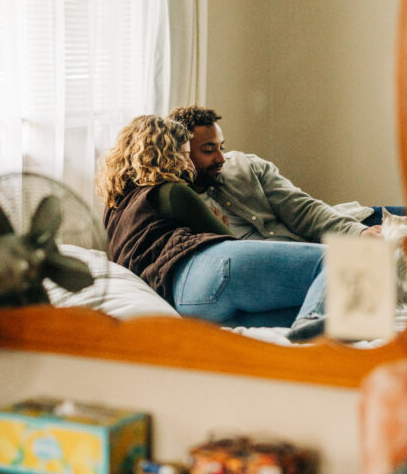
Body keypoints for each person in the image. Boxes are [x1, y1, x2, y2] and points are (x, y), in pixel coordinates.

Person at [95, 115, 328, 340]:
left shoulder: (115, 204)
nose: (188, 164)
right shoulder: (172, 191)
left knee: (298, 312)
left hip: (187, 302)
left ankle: (306, 335)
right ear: (165, 156)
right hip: (204, 270)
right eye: (184, 155)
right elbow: (225, 237)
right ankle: (310, 324)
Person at [167, 105, 377, 242]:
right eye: (208, 150)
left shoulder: (246, 165)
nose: (221, 158)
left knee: (404, 218)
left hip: (323, 230)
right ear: (181, 152)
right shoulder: (173, 200)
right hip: (295, 260)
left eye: (221, 147)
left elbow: (302, 210)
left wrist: (357, 232)